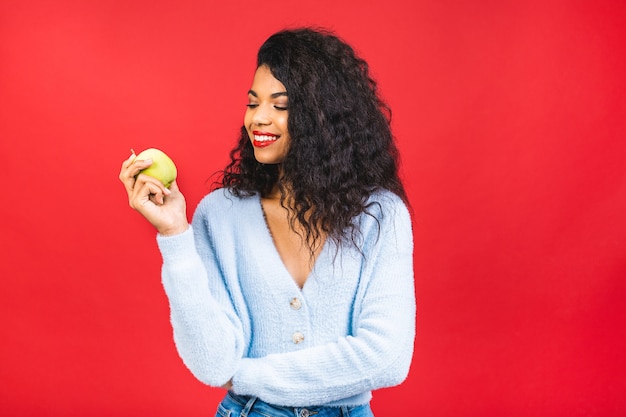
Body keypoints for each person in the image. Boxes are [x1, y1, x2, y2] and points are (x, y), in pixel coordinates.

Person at [119, 27, 415, 417]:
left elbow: (387, 358)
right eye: (252, 102)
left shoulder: (380, 215)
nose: (258, 119)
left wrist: (245, 375)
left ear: (323, 116)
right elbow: (213, 363)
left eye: (280, 105)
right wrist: (175, 235)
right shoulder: (220, 213)